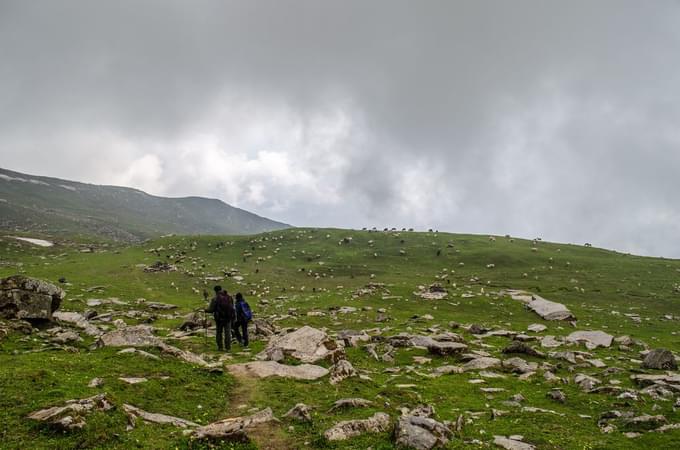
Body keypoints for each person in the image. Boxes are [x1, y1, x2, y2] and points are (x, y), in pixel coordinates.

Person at [205, 285, 235, 351]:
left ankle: (220, 347)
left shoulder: (215, 299)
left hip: (219, 319)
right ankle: (228, 348)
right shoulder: (229, 297)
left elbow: (211, 310)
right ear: (221, 289)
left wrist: (206, 310)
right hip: (228, 318)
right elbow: (232, 307)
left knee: (219, 332)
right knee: (227, 333)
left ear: (215, 291)